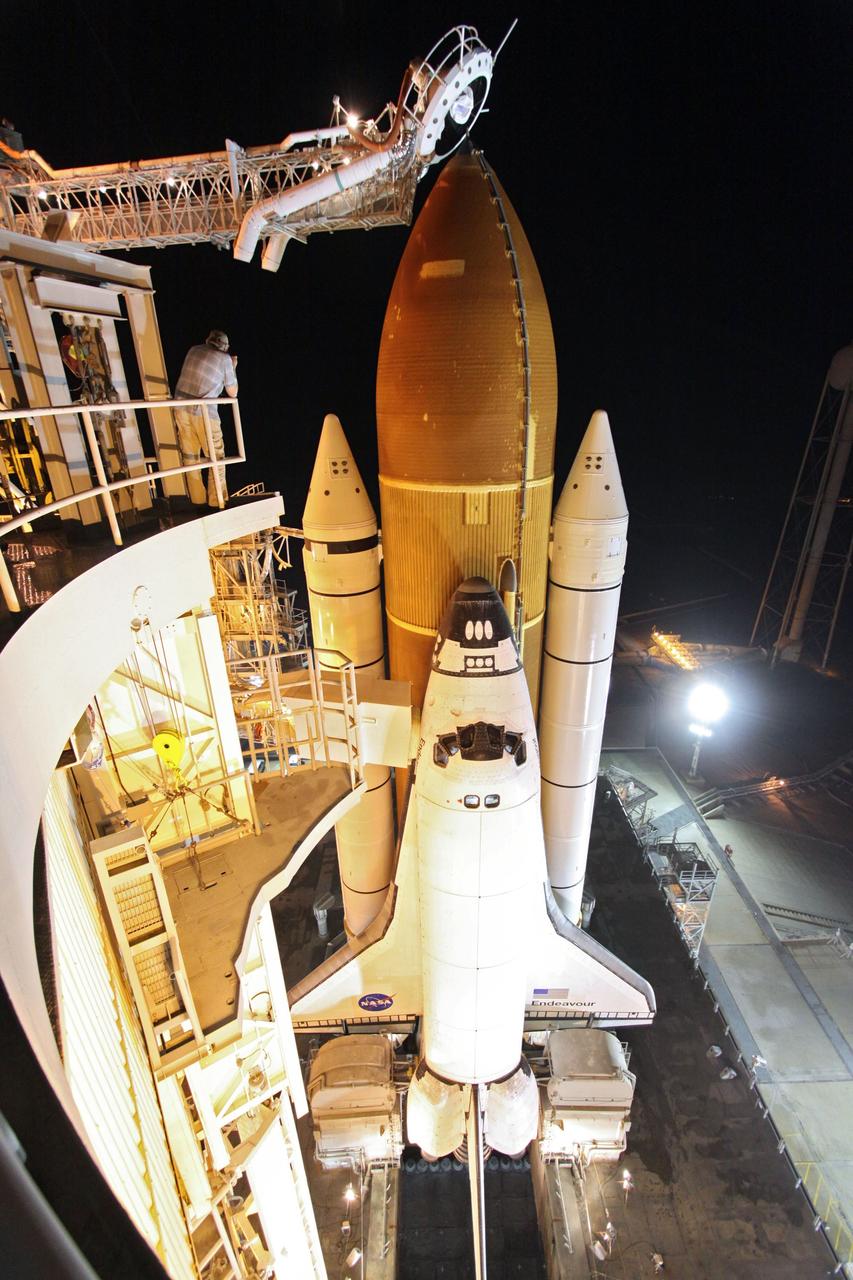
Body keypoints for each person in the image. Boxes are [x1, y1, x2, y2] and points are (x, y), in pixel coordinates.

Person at [174, 329, 238, 505]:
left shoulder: (193, 349)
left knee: (190, 457)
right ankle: (217, 501)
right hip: (204, 413)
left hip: (180, 408)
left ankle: (197, 500)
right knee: (216, 457)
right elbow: (232, 392)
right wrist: (232, 367)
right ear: (224, 347)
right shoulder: (224, 359)